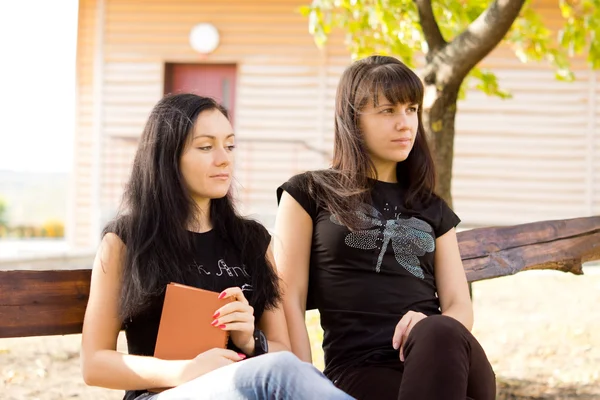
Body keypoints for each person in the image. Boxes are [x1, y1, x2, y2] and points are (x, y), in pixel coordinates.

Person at [80, 93, 355, 400]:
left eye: (229, 145)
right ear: (167, 156)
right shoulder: (126, 241)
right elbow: (94, 364)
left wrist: (250, 340)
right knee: (279, 373)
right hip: (162, 395)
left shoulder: (251, 240)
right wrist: (185, 371)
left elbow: (281, 350)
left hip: (244, 389)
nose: (224, 158)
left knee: (285, 370)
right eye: (206, 146)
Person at [273, 55, 496, 400]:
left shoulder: (431, 208)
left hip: (445, 356)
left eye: (411, 109)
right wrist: (305, 384)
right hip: (360, 369)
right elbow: (289, 298)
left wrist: (425, 324)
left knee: (439, 329)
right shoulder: (309, 193)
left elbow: (458, 305)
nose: (405, 124)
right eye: (388, 111)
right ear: (353, 119)